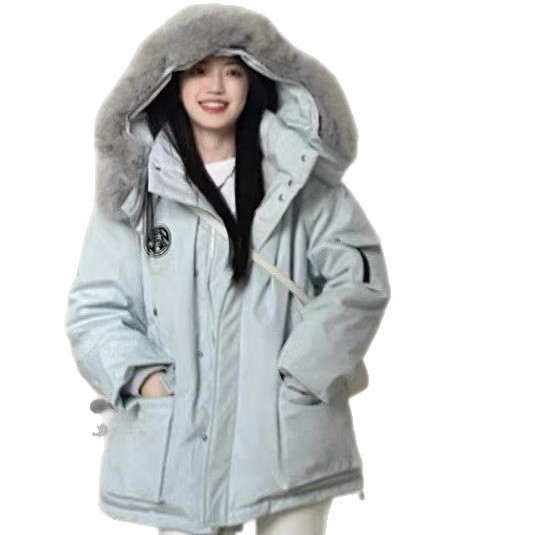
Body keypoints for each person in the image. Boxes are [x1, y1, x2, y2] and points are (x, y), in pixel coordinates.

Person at [64, 4, 391, 535]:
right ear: (171, 81)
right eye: (199, 69)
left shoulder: (300, 179)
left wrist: (302, 373)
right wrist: (144, 379)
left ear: (254, 81)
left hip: (289, 433)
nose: (215, 86)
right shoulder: (136, 193)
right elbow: (95, 306)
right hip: (184, 441)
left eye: (233, 71)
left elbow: (358, 282)